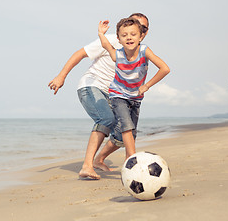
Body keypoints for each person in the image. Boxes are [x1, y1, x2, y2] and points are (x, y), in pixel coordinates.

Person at [48, 13, 149, 180]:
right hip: (91, 86)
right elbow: (80, 53)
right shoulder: (112, 41)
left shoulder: (140, 50)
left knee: (125, 132)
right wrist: (61, 76)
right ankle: (87, 166)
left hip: (116, 95)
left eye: (144, 28)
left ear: (144, 32)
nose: (139, 30)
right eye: (136, 24)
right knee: (106, 119)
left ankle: (99, 159)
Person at [98, 17, 170, 159]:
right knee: (126, 124)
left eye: (133, 34)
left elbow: (165, 68)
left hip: (136, 97)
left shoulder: (144, 51)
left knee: (132, 131)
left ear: (140, 36)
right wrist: (101, 33)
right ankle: (132, 157)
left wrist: (147, 85)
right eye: (124, 35)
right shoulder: (117, 54)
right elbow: (106, 45)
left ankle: (126, 159)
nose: (129, 38)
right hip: (118, 95)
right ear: (118, 39)